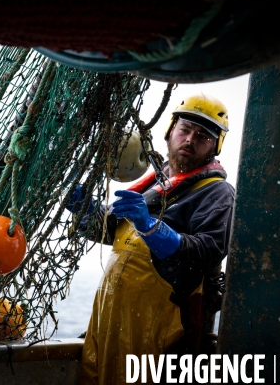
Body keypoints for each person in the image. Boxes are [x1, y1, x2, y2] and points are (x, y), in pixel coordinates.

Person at [69, 94, 236, 384]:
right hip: (110, 320)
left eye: (204, 136)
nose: (190, 140)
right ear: (171, 130)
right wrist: (87, 212)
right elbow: (118, 232)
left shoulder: (217, 193)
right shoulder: (156, 184)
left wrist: (151, 228)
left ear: (216, 145)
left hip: (163, 330)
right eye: (185, 129)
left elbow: (207, 251)